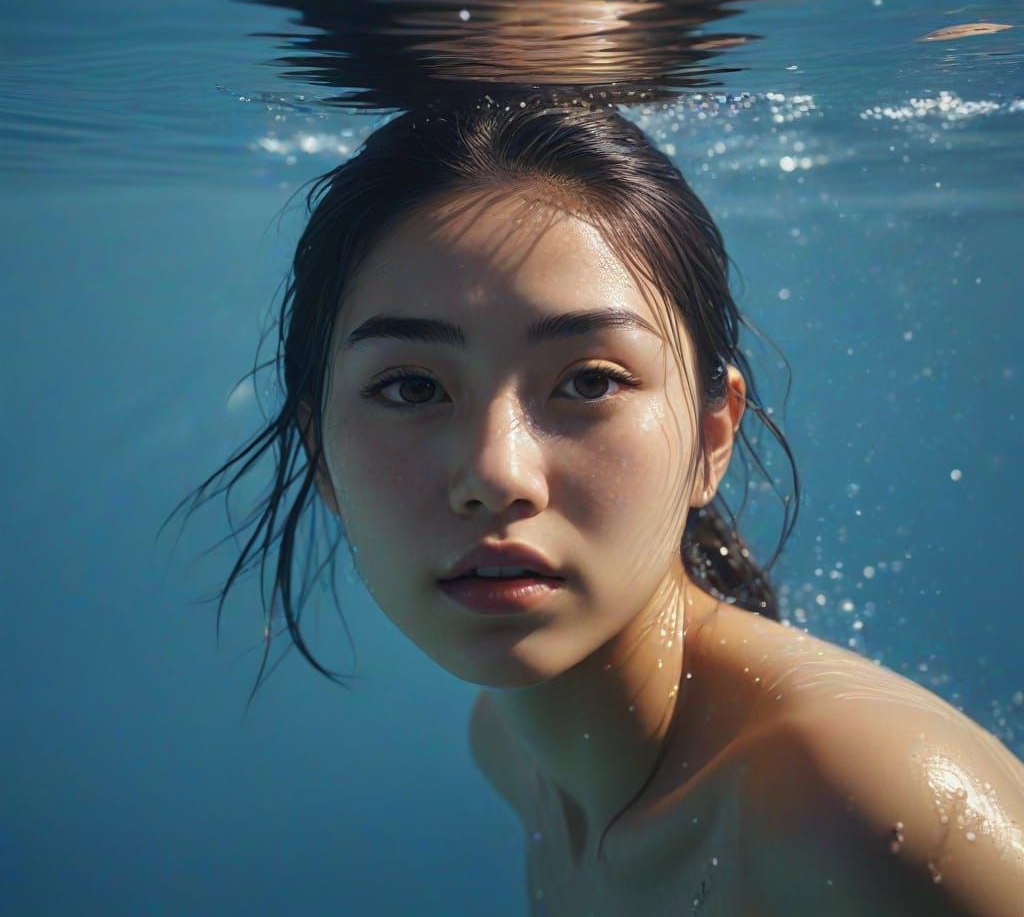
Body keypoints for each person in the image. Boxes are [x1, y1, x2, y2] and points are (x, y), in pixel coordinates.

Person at [189, 99, 1024, 915]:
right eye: (412, 388)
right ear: (321, 456)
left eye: (590, 382)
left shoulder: (860, 805)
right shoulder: (513, 749)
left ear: (713, 437)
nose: (497, 473)